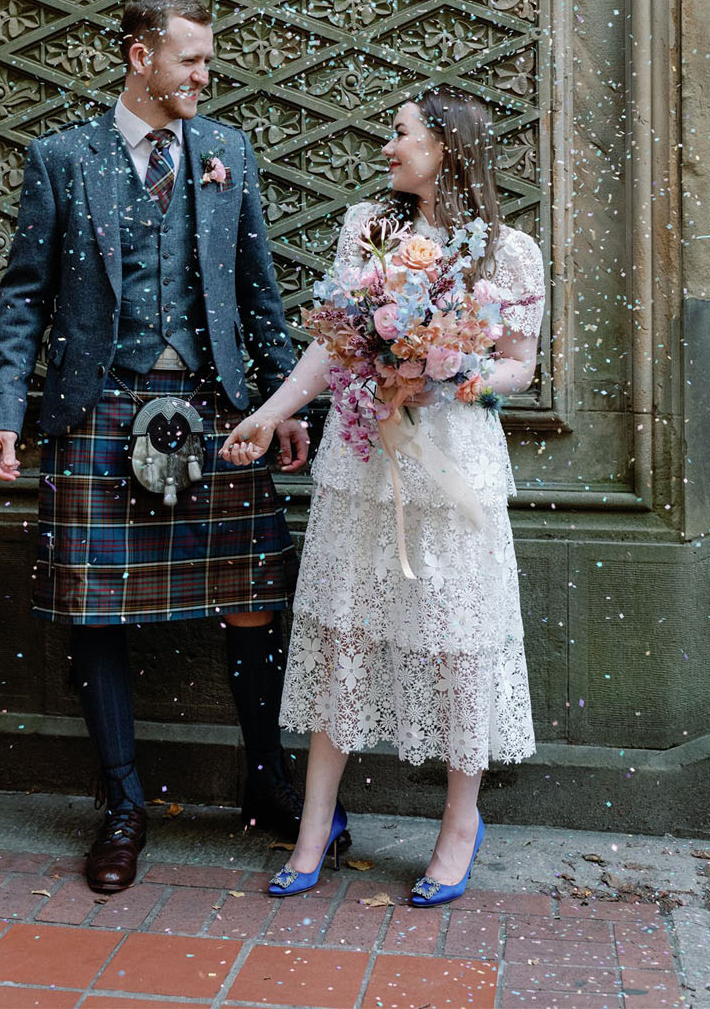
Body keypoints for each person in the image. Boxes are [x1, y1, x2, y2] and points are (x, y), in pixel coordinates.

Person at [0, 0, 315, 894]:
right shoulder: (62, 158)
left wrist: (288, 407)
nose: (206, 75)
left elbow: (259, 293)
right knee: (96, 605)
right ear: (141, 57)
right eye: (192, 60)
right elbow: (24, 296)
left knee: (250, 596)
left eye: (206, 59)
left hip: (216, 407)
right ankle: (123, 803)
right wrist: (4, 409)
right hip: (96, 405)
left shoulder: (226, 152)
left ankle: (266, 780)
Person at [221, 88, 544, 904]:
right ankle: (315, 822)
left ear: (444, 146)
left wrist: (451, 370)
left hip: (452, 470)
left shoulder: (509, 251)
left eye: (399, 133)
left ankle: (460, 824)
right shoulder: (369, 226)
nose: (387, 146)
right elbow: (331, 351)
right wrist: (267, 416)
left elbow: (520, 366)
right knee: (345, 635)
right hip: (363, 464)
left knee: (460, 644)